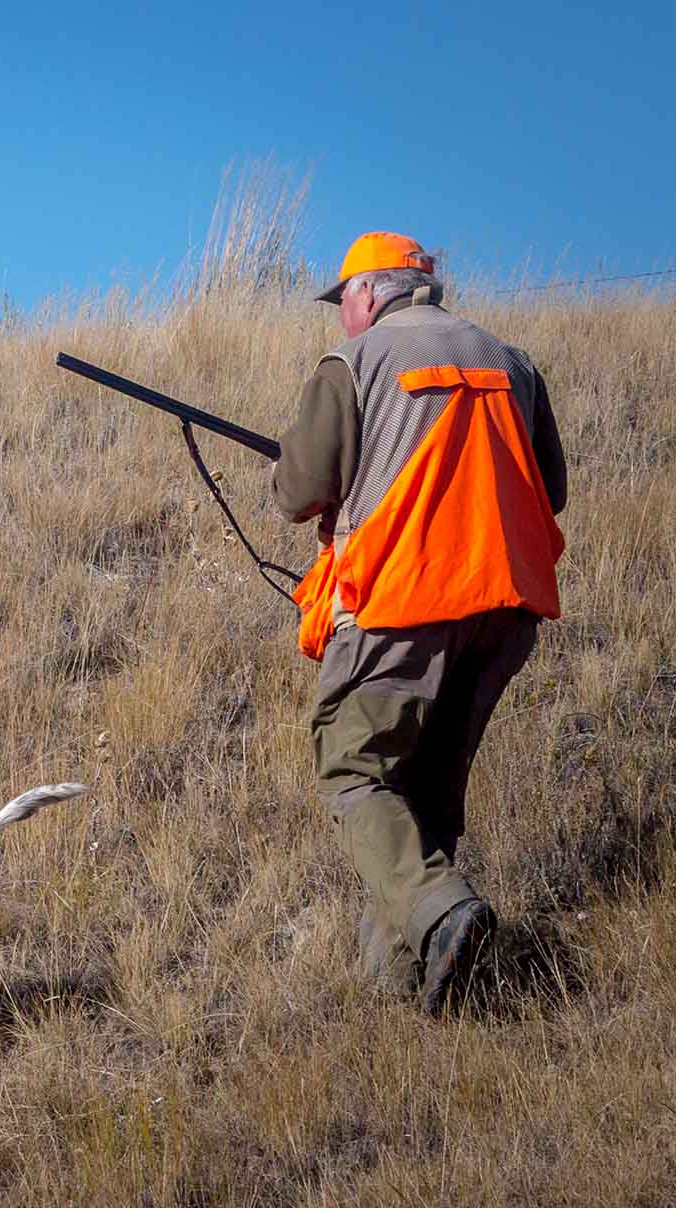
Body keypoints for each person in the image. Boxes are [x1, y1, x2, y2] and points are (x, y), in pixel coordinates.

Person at [272, 231, 568, 1014]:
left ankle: (446, 913)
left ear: (369, 293)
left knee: (355, 769)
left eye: (344, 302)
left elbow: (298, 490)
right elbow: (552, 489)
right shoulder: (512, 361)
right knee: (423, 792)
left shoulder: (357, 363)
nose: (343, 317)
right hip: (504, 610)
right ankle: (407, 985)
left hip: (403, 604)